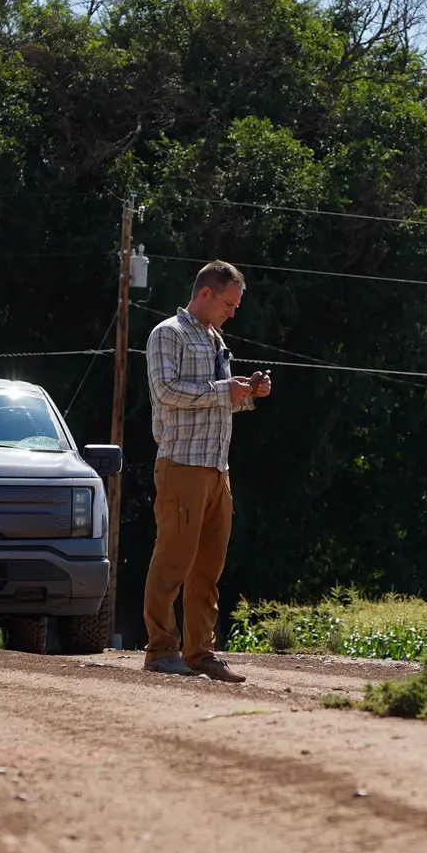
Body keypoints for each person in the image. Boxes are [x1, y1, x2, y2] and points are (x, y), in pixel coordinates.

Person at [139, 260, 271, 679]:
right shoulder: (167, 334)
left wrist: (249, 393)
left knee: (208, 569)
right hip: (182, 464)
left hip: (217, 467)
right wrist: (222, 391)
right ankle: (161, 650)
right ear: (206, 293)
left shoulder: (216, 339)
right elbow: (166, 391)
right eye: (229, 304)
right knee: (173, 561)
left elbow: (219, 402)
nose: (233, 313)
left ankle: (201, 653)